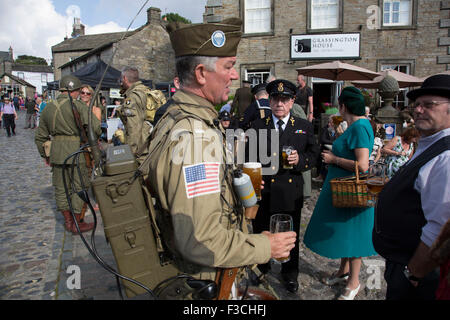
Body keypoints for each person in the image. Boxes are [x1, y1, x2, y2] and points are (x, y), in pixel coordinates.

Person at [146, 18, 296, 299]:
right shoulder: (195, 138)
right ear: (201, 73)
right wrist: (266, 247)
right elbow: (199, 240)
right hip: (206, 282)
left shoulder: (179, 117)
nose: (235, 76)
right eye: (228, 67)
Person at [373, 74, 450, 300]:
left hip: (418, 270)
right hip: (402, 260)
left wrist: (413, 274)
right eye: (417, 105)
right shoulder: (430, 144)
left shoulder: (445, 156)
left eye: (429, 105)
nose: (418, 110)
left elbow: (440, 229)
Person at [303, 86, 377, 300]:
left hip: (352, 192)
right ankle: (343, 272)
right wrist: (340, 138)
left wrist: (333, 159)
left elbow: (362, 165)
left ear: (343, 106)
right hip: (343, 190)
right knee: (346, 234)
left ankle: (353, 283)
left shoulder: (360, 127)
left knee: (354, 237)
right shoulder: (356, 126)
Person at [250, 79, 319, 293]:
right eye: (275, 99)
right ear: (270, 101)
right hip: (265, 190)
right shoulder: (258, 125)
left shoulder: (303, 126)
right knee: (261, 231)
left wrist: (300, 161)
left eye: (284, 99)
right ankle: (261, 267)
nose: (279, 103)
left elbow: (314, 155)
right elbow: (248, 156)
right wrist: (252, 178)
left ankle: (290, 273)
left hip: (290, 191)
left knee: (289, 234)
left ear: (292, 102)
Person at [35, 75, 102, 234]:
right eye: (79, 91)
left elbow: (40, 137)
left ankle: (68, 222)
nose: (80, 94)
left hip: (57, 154)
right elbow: (96, 128)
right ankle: (78, 223)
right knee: (79, 188)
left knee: (61, 188)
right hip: (77, 152)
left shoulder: (48, 108)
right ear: (74, 90)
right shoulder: (78, 106)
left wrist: (46, 155)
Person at [116, 66, 166, 163]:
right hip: (153, 144)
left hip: (141, 151)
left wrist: (130, 154)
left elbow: (133, 128)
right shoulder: (146, 91)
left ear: (125, 78)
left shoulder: (133, 97)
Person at [313, 115, 338, 182]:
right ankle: (322, 177)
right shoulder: (325, 129)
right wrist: (333, 142)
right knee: (325, 158)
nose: (329, 124)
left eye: (331, 122)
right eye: (329, 122)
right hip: (325, 149)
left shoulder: (337, 130)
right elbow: (323, 140)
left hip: (333, 150)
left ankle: (323, 177)